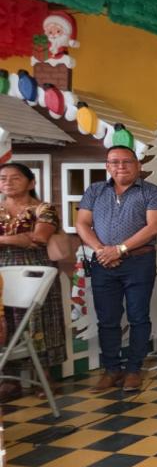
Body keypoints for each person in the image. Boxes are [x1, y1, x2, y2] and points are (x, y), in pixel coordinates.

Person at [76, 146, 157, 393]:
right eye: (114, 162)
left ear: (138, 165)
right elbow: (82, 223)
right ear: (107, 166)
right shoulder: (95, 191)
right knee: (107, 319)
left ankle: (134, 370)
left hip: (139, 262)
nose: (120, 166)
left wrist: (119, 249)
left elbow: (153, 228)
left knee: (139, 317)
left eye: (126, 161)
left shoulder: (152, 192)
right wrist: (101, 250)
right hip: (103, 263)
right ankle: (111, 370)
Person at [0, 163, 68, 402]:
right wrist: (16, 238)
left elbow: (40, 238)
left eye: (15, 178)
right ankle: (9, 379)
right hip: (1, 273)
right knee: (5, 321)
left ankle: (45, 376)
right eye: (3, 178)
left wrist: (11, 239)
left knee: (38, 321)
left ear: (31, 183)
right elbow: (28, 238)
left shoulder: (43, 209)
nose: (7, 182)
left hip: (35, 271)